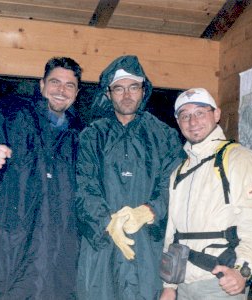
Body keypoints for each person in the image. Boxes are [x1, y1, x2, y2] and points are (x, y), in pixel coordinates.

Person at [75, 55, 184, 299]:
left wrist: (150, 210)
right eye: (119, 88)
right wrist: (106, 223)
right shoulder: (92, 136)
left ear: (143, 90)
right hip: (102, 250)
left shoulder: (164, 136)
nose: (127, 95)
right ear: (108, 93)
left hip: (149, 249)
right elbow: (83, 188)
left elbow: (176, 184)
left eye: (133, 87)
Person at [160, 88, 252, 299]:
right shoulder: (179, 172)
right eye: (185, 115)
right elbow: (172, 232)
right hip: (185, 287)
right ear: (178, 122)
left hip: (221, 283)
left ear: (216, 114)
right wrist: (169, 285)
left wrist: (243, 270)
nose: (192, 121)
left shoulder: (239, 158)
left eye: (200, 112)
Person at [0, 57, 84, 299]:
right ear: (41, 85)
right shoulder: (10, 115)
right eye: (55, 82)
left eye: (69, 85)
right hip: (9, 251)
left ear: (77, 92)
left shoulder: (81, 138)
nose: (61, 90)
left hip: (56, 256)